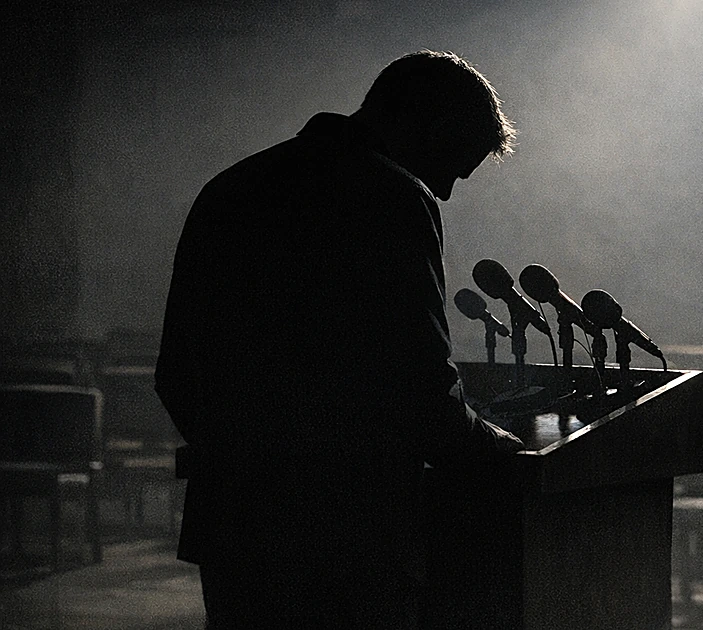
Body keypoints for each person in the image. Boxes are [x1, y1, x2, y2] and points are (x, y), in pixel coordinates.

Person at [155, 50, 522, 629]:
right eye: (454, 166)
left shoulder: (232, 186)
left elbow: (178, 370)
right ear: (428, 128)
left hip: (235, 522)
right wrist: (497, 446)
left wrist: (241, 456)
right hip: (352, 535)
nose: (447, 191)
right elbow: (417, 385)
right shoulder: (394, 197)